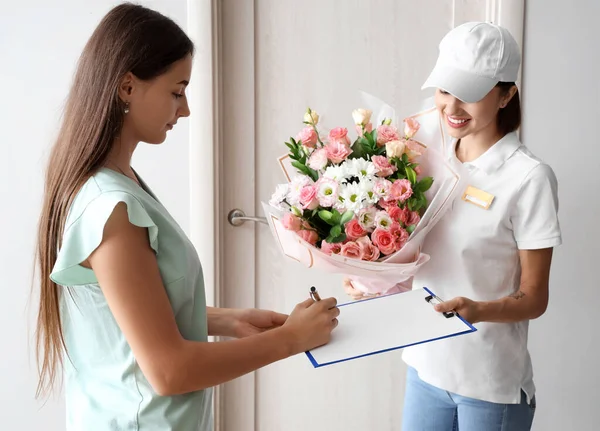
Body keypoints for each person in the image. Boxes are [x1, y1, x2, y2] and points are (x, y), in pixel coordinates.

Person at [34, 4, 339, 430]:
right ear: (127, 87)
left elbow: (122, 307)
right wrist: (289, 340)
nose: (186, 109)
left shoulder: (118, 183)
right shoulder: (111, 209)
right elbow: (169, 371)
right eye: (177, 91)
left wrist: (224, 320)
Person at [349, 22, 561, 430]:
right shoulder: (422, 146)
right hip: (425, 365)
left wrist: (477, 309)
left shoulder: (528, 178)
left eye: (471, 94)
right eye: (445, 89)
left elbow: (534, 298)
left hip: (488, 381)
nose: (451, 107)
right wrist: (373, 276)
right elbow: (415, 248)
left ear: (506, 96)